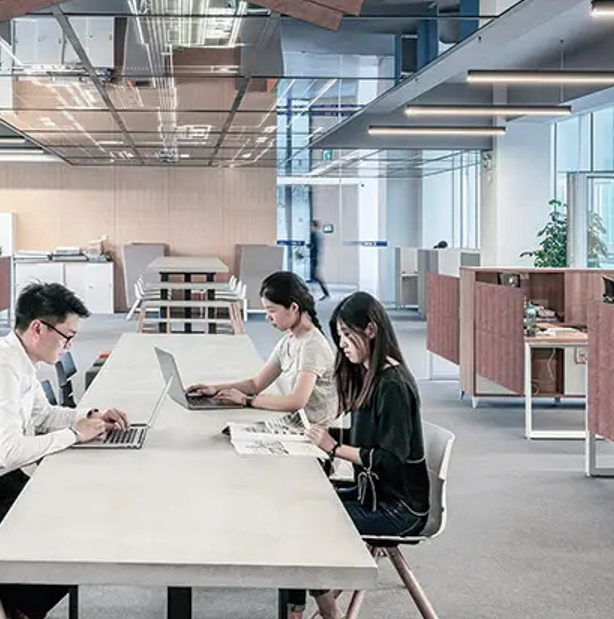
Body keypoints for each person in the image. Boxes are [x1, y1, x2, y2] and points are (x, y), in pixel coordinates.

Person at [0, 282, 129, 619]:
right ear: (38, 328)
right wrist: (74, 435)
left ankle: (3, 598)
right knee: (81, 526)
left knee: (88, 508)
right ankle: (9, 603)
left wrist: (91, 416)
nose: (70, 345)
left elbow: (43, 415)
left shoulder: (18, 360)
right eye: (67, 336)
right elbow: (11, 451)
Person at [286, 292, 431, 619]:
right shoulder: (371, 375)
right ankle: (304, 609)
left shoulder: (392, 384)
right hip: (374, 492)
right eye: (338, 336)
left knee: (307, 523)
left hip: (399, 507)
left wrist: (334, 448)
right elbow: (369, 439)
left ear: (371, 330)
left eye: (347, 335)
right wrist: (321, 436)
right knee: (302, 506)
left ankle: (324, 613)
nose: (342, 344)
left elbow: (390, 459)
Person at [184, 271, 339, 424]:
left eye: (272, 310)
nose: (267, 317)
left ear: (293, 308)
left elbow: (296, 402)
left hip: (315, 431)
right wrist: (214, 389)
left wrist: (246, 400)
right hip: (297, 422)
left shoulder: (312, 346)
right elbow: (255, 384)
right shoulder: (290, 340)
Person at [308, 220, 330, 300]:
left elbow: (315, 249)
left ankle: (326, 293)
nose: (310, 227)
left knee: (316, 277)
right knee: (314, 276)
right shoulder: (315, 235)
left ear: (315, 226)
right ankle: (325, 293)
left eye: (311, 226)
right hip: (313, 259)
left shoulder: (315, 235)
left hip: (314, 259)